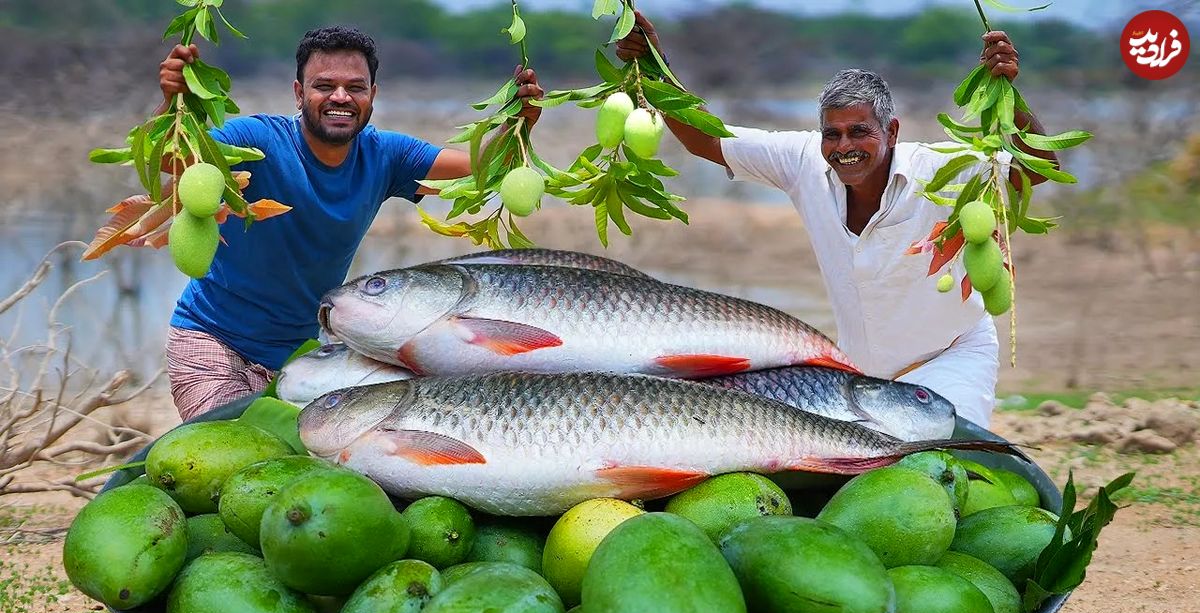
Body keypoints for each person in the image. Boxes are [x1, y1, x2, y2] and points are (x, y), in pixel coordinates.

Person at [615, 13, 1059, 429]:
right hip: (861, 375)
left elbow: (1039, 167)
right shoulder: (803, 162)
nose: (844, 145)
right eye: (833, 133)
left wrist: (1009, 94)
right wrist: (655, 67)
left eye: (859, 131)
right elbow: (707, 140)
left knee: (948, 465)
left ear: (891, 132)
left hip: (952, 357)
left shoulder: (941, 170)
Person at [155, 26, 543, 420]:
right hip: (213, 339)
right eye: (324, 85)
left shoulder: (386, 156)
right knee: (226, 452)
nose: (340, 97)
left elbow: (480, 171)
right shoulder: (256, 140)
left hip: (302, 354)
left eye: (355, 87)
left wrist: (518, 123)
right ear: (298, 93)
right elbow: (176, 161)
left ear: (372, 95)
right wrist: (172, 105)